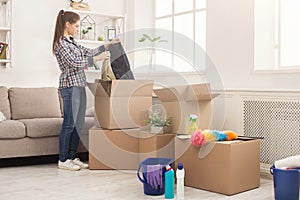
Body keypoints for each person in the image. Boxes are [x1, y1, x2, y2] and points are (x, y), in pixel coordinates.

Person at [52, 10, 119, 171]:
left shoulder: (73, 42)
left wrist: (106, 45)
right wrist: (97, 59)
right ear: (67, 24)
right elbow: (75, 62)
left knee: (79, 124)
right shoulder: (60, 44)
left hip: (80, 85)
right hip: (69, 87)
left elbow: (88, 52)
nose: (77, 28)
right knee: (69, 123)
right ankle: (63, 159)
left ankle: (72, 156)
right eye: (76, 25)